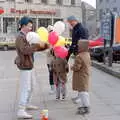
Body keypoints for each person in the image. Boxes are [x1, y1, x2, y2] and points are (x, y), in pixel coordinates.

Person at [15, 16, 49, 119]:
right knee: (26, 87)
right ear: (23, 26)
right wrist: (36, 45)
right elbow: (25, 50)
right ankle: (21, 109)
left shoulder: (27, 36)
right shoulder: (20, 37)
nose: (31, 28)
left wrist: (44, 46)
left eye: (31, 26)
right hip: (25, 65)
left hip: (30, 65)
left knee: (32, 86)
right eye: (29, 26)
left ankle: (27, 103)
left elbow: (32, 49)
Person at [71, 40, 91, 114]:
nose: (78, 47)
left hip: (80, 76)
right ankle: (83, 105)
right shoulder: (87, 54)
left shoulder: (79, 56)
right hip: (85, 75)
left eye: (79, 46)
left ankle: (86, 106)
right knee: (84, 91)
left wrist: (72, 67)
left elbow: (77, 67)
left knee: (82, 92)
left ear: (82, 47)